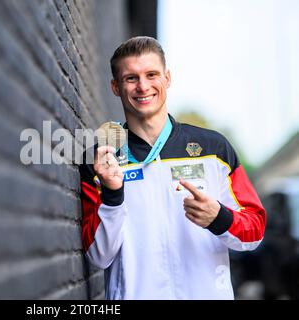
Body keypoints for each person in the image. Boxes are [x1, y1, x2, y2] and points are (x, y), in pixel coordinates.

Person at [79, 36, 266, 299]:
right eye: (131, 78)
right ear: (115, 87)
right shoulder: (101, 160)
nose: (143, 86)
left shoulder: (214, 150)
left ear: (167, 79)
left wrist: (219, 217)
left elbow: (255, 230)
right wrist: (112, 194)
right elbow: (99, 256)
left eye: (151, 74)